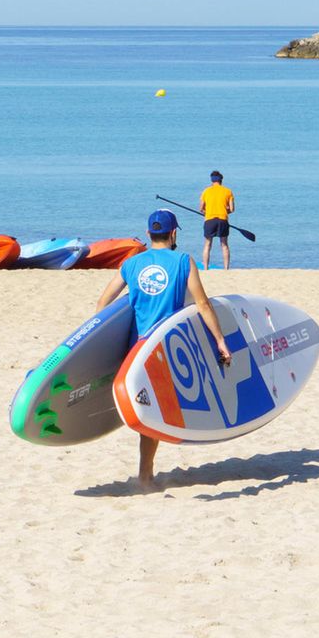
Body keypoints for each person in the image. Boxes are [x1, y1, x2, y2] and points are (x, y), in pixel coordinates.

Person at [95, 210, 231, 491]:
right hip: (165, 349)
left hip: (137, 350)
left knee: (150, 410)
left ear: (148, 234)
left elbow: (103, 304)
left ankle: (146, 474)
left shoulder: (131, 264)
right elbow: (203, 305)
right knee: (156, 411)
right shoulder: (183, 261)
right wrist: (220, 340)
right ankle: (145, 476)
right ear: (174, 234)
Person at [199, 170, 235, 270]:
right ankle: (226, 268)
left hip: (209, 220)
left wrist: (206, 212)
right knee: (224, 245)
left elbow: (201, 208)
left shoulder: (206, 191)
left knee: (207, 245)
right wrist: (224, 211)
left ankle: (205, 268)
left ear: (212, 181)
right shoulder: (228, 191)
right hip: (223, 220)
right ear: (221, 180)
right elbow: (232, 209)